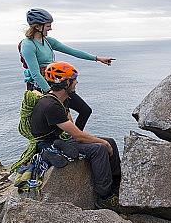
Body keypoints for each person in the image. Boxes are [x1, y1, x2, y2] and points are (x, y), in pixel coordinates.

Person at [30, 61, 121, 211]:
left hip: (61, 139)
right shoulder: (51, 105)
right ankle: (104, 197)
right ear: (66, 83)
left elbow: (70, 127)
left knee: (110, 141)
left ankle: (116, 183)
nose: (76, 82)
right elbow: (77, 135)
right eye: (74, 79)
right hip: (50, 144)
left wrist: (104, 143)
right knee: (99, 148)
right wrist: (103, 144)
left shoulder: (61, 99)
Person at [21, 8, 115, 131]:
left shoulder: (48, 41)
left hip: (57, 82)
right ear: (38, 27)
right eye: (48, 26)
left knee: (85, 110)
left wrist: (97, 58)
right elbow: (35, 74)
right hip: (44, 86)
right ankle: (72, 138)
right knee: (62, 120)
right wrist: (51, 93)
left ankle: (77, 138)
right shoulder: (28, 45)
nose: (50, 29)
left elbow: (72, 51)